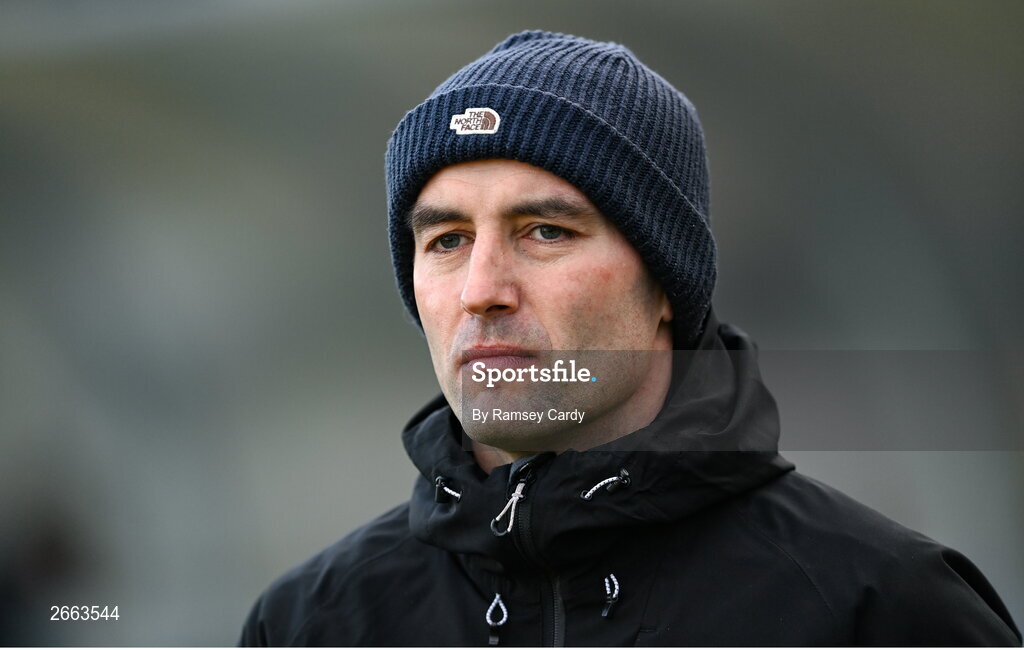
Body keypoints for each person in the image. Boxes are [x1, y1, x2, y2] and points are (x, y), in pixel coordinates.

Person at [239, 31, 1020, 646]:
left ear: (667, 284)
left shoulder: (877, 606)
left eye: (545, 231)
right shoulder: (312, 623)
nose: (481, 289)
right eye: (446, 240)